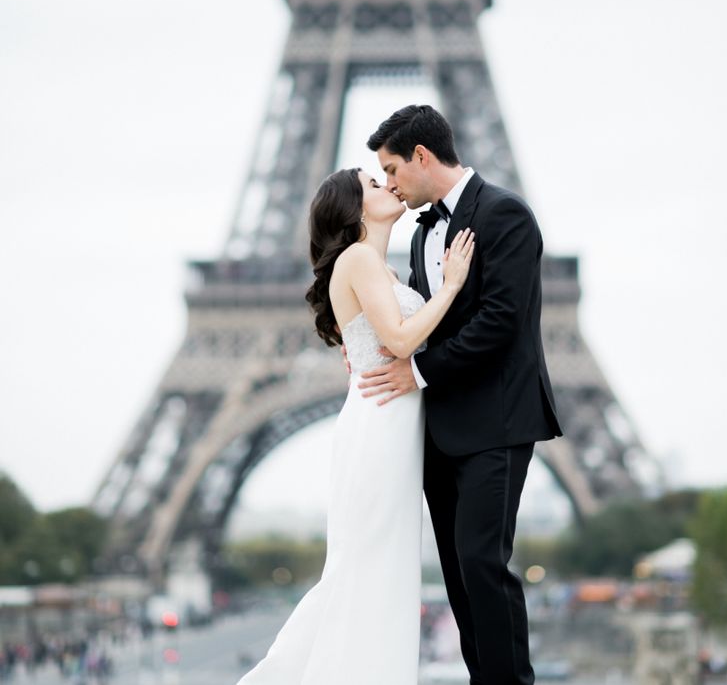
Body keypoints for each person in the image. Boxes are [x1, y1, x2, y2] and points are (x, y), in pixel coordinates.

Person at [235, 167, 475, 685]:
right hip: (381, 429)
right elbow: (402, 339)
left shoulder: (381, 269)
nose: (387, 184)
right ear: (354, 209)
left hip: (388, 426)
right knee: (370, 571)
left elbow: (389, 337)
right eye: (372, 183)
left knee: (371, 571)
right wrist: (452, 286)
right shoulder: (361, 259)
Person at [357, 104, 563, 685]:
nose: (391, 185)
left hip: (496, 423)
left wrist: (418, 373)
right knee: (458, 574)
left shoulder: (505, 215)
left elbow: (502, 320)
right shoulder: (421, 232)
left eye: (393, 169)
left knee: (482, 564)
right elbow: (427, 319)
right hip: (440, 430)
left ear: (422, 156)